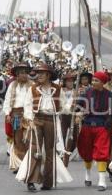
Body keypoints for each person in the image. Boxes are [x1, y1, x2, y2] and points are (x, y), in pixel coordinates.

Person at [16, 63, 72, 191]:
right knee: (35, 149)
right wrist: (29, 119)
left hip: (52, 120)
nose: (39, 75)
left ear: (49, 75)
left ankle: (48, 182)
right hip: (37, 119)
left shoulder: (58, 89)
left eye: (42, 73)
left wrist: (73, 109)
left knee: (50, 151)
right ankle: (30, 180)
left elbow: (64, 107)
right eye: (38, 73)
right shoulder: (33, 88)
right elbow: (28, 105)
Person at [77, 71, 112, 191]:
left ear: (103, 83)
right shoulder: (86, 92)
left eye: (96, 80)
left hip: (102, 127)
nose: (93, 82)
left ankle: (102, 181)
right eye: (93, 80)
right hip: (87, 126)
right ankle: (88, 175)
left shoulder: (110, 95)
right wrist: (77, 110)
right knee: (87, 152)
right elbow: (78, 105)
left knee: (102, 153)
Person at [2, 63, 32, 173]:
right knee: (17, 139)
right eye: (21, 73)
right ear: (17, 75)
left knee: (28, 140)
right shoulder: (12, 85)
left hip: (29, 116)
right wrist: (7, 114)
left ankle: (29, 164)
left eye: (25, 73)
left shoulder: (32, 85)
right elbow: (7, 100)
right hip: (15, 116)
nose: (23, 75)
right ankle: (20, 165)